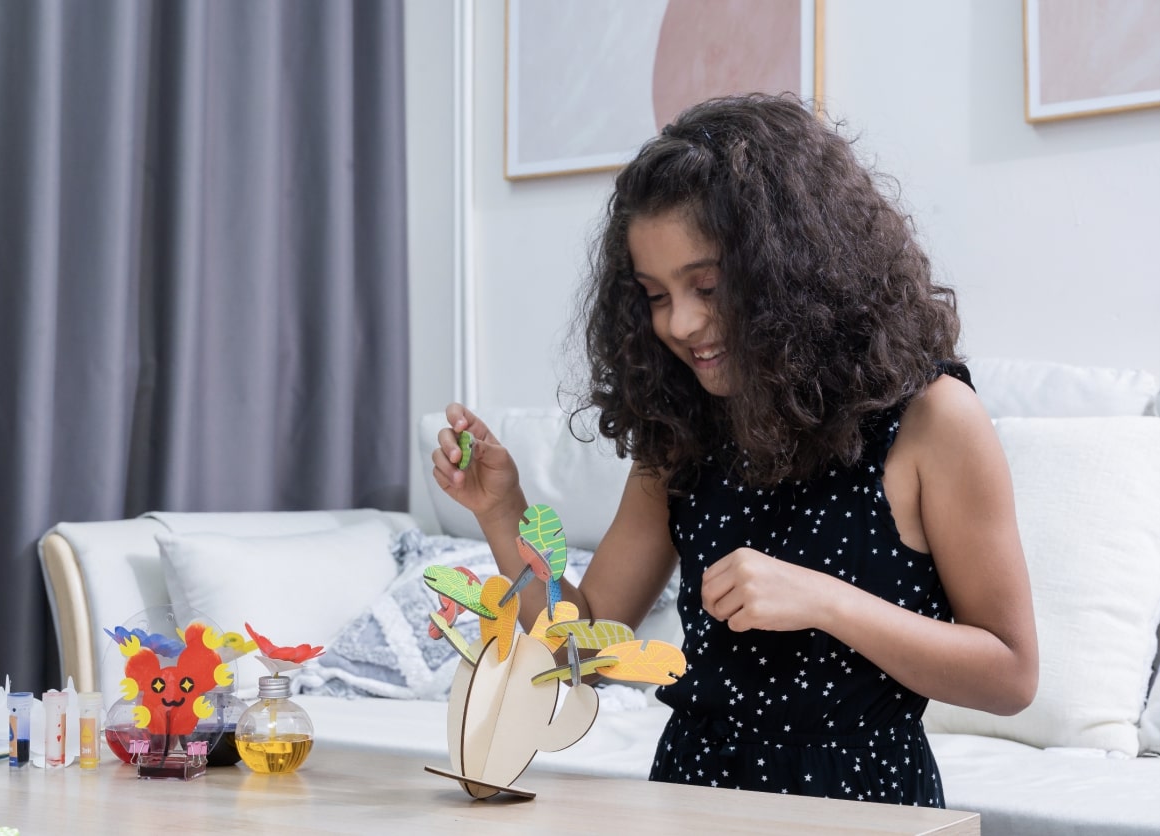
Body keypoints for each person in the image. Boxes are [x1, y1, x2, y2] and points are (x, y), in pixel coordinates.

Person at [431, 94, 1037, 807]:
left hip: (860, 804)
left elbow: (1009, 675)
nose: (680, 323)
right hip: (693, 794)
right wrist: (504, 513)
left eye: (707, 286)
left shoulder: (933, 420)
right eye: (654, 295)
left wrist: (824, 600)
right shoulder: (682, 430)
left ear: (795, 270)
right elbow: (578, 657)